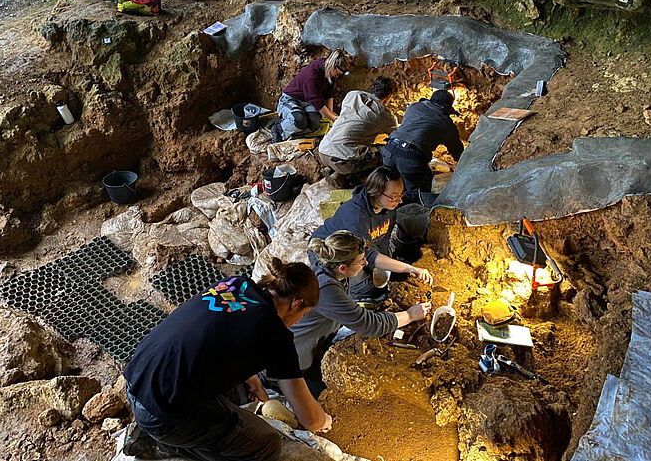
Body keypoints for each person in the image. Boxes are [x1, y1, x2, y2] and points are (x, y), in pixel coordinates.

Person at [122, 258, 332, 461]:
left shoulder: (236, 284)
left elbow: (220, 333)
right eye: (303, 314)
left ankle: (156, 432)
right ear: (297, 303)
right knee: (266, 445)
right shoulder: (275, 333)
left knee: (240, 395)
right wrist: (323, 419)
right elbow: (310, 420)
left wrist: (253, 380)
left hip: (136, 380)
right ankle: (165, 446)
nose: (298, 322)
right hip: (163, 416)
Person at [292, 231, 431, 396]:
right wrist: (410, 315)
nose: (365, 263)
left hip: (320, 337)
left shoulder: (328, 262)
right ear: (343, 268)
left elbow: (372, 257)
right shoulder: (326, 289)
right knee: (324, 391)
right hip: (298, 359)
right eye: (361, 261)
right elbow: (370, 325)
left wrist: (409, 268)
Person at [311, 166, 433, 302]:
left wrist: (389, 267)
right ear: (376, 192)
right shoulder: (356, 216)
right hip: (330, 249)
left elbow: (383, 239)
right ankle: (357, 298)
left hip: (361, 248)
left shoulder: (388, 207)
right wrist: (408, 268)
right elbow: (369, 255)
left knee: (383, 278)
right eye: (393, 197)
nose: (400, 201)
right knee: (364, 287)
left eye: (401, 195)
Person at [318, 75, 398, 188]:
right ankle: (351, 178)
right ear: (389, 96)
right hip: (344, 160)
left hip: (323, 150)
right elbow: (397, 137)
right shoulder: (386, 115)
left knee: (358, 148)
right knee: (384, 153)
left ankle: (335, 172)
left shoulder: (353, 95)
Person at [382, 89, 464, 193]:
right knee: (419, 193)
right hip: (410, 158)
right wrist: (463, 164)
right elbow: (457, 150)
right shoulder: (445, 123)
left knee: (391, 188)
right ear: (447, 108)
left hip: (389, 149)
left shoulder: (413, 106)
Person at [271, 49, 348, 143]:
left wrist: (331, 115)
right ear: (332, 66)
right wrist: (334, 119)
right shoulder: (312, 75)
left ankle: (291, 126)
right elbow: (317, 102)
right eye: (337, 73)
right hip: (290, 99)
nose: (336, 76)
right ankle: (278, 128)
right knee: (299, 120)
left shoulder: (328, 72)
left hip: (307, 102)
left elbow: (329, 94)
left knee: (314, 124)